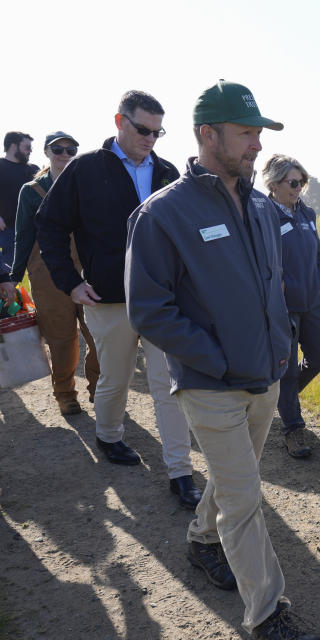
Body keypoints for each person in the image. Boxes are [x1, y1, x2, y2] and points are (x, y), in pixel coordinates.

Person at [125, 80, 320, 640]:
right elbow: (149, 310)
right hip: (209, 383)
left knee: (239, 478)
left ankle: (201, 541)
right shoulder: (163, 215)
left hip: (263, 376)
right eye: (246, 133)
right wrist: (213, 357)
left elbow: (271, 285)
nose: (256, 145)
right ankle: (267, 613)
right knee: (245, 496)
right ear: (208, 135)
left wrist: (280, 346)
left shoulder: (261, 208)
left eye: (259, 133)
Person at [34, 91, 201, 509]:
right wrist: (70, 283)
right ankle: (109, 437)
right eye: (143, 129)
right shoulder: (85, 169)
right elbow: (50, 226)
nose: (151, 139)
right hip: (107, 298)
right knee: (115, 378)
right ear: (119, 121)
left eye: (158, 132)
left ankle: (180, 472)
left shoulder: (166, 171)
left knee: (169, 386)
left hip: (164, 300)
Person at [0, 132, 100, 415]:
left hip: (88, 270)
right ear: (47, 152)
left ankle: (98, 389)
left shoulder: (86, 185)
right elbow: (23, 235)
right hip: (47, 273)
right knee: (61, 339)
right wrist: (13, 276)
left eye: (71, 149)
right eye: (58, 149)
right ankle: (65, 394)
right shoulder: (31, 191)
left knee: (97, 334)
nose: (65, 154)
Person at [262, 154, 320, 459]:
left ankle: (281, 400)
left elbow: (318, 252)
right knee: (288, 371)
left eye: (301, 182)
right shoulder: (264, 216)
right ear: (274, 183)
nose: (299, 187)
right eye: (293, 182)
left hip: (311, 302)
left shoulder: (307, 214)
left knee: (319, 358)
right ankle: (293, 429)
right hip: (284, 309)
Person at [0, 132, 38, 270]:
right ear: (13, 146)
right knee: (8, 274)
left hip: (36, 230)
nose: (30, 151)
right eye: (27, 147)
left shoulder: (34, 169)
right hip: (9, 230)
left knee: (40, 271)